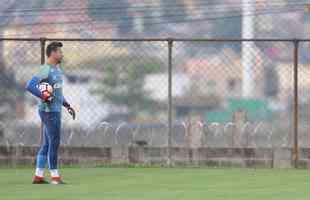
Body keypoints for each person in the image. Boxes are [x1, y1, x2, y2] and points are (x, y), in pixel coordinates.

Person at [26, 41, 76, 184]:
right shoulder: (45, 69)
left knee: (47, 144)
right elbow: (30, 85)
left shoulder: (57, 70)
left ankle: (38, 176)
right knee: (55, 142)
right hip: (49, 111)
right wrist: (44, 96)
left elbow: (57, 93)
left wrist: (66, 104)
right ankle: (55, 177)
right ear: (53, 53)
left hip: (55, 110)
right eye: (59, 52)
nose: (62, 54)